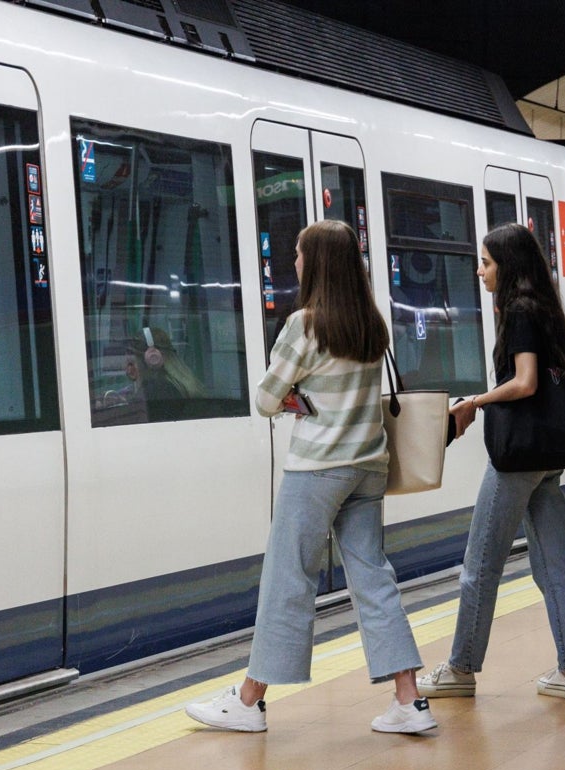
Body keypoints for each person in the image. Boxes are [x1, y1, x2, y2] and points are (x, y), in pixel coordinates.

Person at [185, 220, 436, 734]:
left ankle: (250, 700)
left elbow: (264, 399)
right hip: (369, 466)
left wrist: (297, 401)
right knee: (372, 576)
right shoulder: (372, 324)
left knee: (287, 576)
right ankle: (409, 700)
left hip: (319, 469)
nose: (293, 262)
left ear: (317, 262)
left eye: (298, 254)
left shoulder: (305, 325)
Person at [418, 223, 565, 702]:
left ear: (508, 265)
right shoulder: (544, 308)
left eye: (486, 262)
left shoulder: (518, 311)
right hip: (548, 457)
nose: (479, 271)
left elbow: (526, 382)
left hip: (517, 457)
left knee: (480, 564)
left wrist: (476, 401)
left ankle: (460, 667)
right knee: (556, 563)